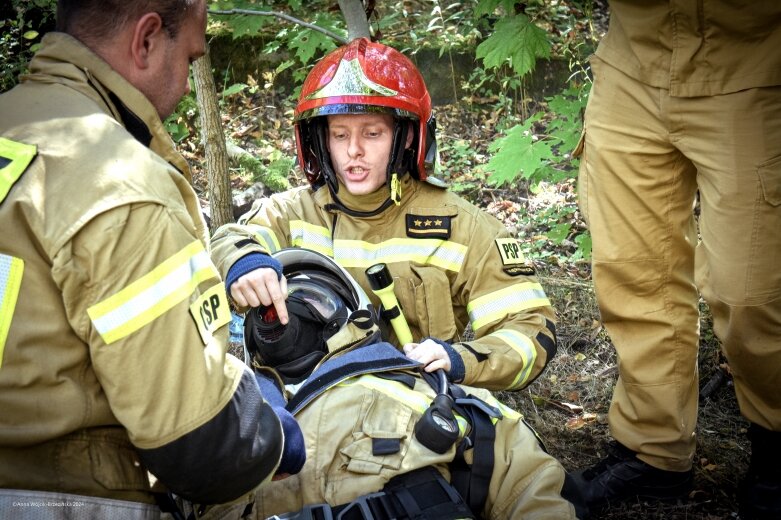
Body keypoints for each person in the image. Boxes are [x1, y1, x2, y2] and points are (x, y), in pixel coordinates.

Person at [0, 1, 304, 518]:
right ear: (145, 40)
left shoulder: (14, 122)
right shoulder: (120, 185)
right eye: (189, 58)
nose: (186, 86)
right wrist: (270, 428)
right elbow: (197, 445)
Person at [211, 38, 558, 393]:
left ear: (405, 137)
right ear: (320, 141)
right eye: (339, 134)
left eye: (372, 133)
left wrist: (457, 360)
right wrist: (246, 262)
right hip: (305, 410)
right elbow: (228, 240)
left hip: (417, 416)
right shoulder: (294, 213)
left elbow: (531, 330)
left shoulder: (460, 225)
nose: (353, 151)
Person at [573, 2, 781, 518]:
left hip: (756, 65)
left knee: (753, 293)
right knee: (634, 271)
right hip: (633, 59)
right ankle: (654, 449)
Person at [239, 247, 581, 520]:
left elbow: (527, 484)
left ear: (354, 318)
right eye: (270, 306)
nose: (286, 311)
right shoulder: (231, 420)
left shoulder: (435, 395)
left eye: (308, 296)